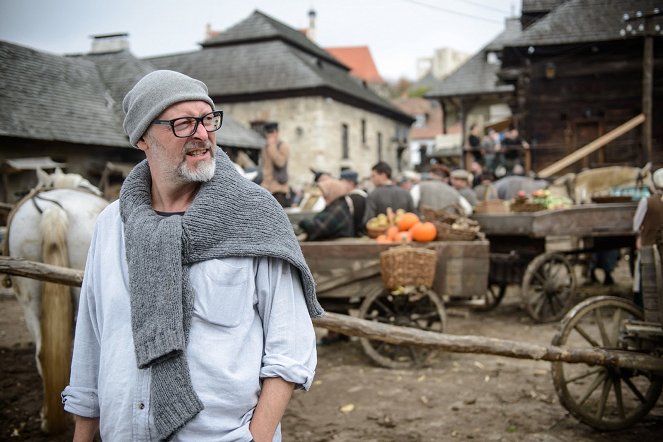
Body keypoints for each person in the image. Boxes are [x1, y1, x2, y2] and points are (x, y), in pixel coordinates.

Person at [61, 70, 322, 442]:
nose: (202, 133)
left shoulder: (254, 216)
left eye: (207, 119)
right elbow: (92, 341)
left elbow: (291, 347)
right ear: (142, 138)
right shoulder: (111, 225)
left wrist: (256, 437)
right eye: (183, 123)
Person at [632, 168, 663, 306]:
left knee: (644, 279)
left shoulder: (647, 202)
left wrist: (641, 235)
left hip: (649, 247)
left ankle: (641, 308)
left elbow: (635, 225)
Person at [260, 121, 290, 207]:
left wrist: (272, 146)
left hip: (279, 188)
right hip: (266, 187)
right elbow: (264, 166)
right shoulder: (265, 147)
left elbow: (280, 163)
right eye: (268, 132)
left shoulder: (283, 146)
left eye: (272, 132)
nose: (270, 135)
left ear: (276, 132)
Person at [339, 169, 367, 237]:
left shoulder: (354, 198)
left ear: (350, 183)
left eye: (342, 182)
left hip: (357, 235)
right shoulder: (363, 195)